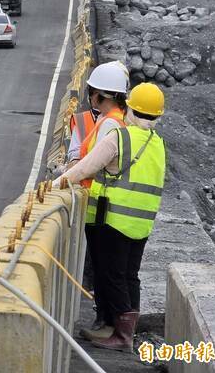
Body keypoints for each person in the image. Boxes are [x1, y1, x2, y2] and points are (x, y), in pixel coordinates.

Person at [55, 83, 166, 353]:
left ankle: (122, 336)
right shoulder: (159, 145)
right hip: (142, 223)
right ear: (157, 116)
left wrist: (56, 183)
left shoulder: (120, 137)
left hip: (113, 220)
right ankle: (120, 330)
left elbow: (84, 168)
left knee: (111, 275)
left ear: (129, 108)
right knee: (130, 276)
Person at [61, 61, 129, 339]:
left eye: (93, 93)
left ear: (102, 95)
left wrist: (59, 181)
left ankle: (115, 330)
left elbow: (89, 164)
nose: (90, 98)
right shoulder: (108, 121)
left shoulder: (111, 125)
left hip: (102, 208)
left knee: (108, 272)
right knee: (110, 271)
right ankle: (111, 325)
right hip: (101, 207)